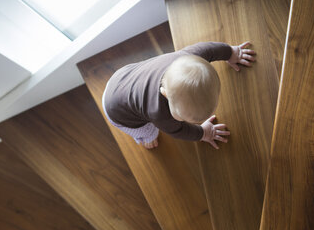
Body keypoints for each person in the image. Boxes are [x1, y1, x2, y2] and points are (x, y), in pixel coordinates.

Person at [102, 41, 256, 149]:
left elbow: (210, 49)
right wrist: (204, 133)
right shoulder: (160, 114)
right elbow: (180, 131)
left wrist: (231, 52)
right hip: (118, 113)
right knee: (150, 132)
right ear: (164, 94)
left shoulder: (188, 59)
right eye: (182, 118)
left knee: (142, 73)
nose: (182, 121)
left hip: (122, 76)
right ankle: (147, 138)